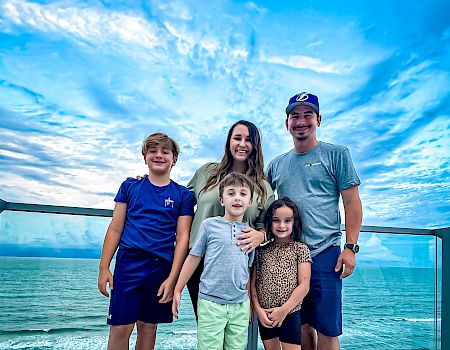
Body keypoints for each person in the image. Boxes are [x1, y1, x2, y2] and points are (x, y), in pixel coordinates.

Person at [266, 92, 363, 350]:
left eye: (307, 115)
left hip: (325, 254)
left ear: (318, 119)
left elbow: (352, 202)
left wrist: (350, 248)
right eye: (294, 116)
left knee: (328, 330)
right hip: (289, 255)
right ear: (286, 123)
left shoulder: (337, 154)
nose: (301, 121)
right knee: (302, 327)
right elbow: (254, 193)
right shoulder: (276, 165)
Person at [98, 132, 194, 350]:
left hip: (160, 267)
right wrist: (104, 267)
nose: (158, 155)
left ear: (174, 159)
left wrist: (173, 278)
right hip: (128, 263)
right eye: (153, 151)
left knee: (148, 327)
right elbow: (115, 228)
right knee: (120, 327)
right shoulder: (130, 186)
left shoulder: (183, 195)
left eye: (165, 151)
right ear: (144, 156)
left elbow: (182, 239)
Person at [186, 120, 274, 318]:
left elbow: (269, 227)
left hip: (236, 264)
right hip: (198, 260)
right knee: (208, 329)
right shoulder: (206, 172)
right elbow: (179, 200)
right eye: (237, 138)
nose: (242, 144)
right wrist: (152, 180)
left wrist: (261, 236)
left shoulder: (263, 187)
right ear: (228, 142)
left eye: (249, 140)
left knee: (233, 331)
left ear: (255, 146)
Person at [172, 172, 255, 350]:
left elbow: (247, 269)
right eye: (231, 193)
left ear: (250, 201)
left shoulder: (250, 233)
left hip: (240, 305)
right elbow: (194, 258)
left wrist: (248, 302)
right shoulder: (209, 226)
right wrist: (178, 289)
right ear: (222, 200)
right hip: (210, 303)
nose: (237, 198)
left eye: (243, 193)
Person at [251, 197, 311, 350]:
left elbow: (304, 285)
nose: (281, 225)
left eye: (287, 220)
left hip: (290, 313)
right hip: (266, 315)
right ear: (269, 222)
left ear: (294, 222)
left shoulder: (300, 249)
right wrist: (258, 310)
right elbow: (253, 285)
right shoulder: (261, 251)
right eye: (276, 220)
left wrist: (283, 310)